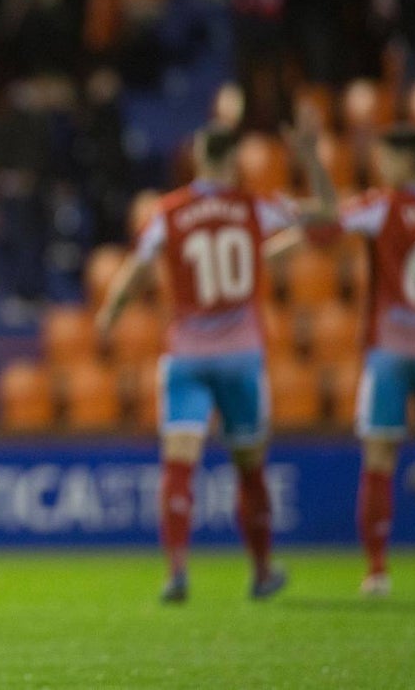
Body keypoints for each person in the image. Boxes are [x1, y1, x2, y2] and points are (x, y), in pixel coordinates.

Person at [95, 126, 332, 603]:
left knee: (179, 462)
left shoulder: (169, 211)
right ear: (234, 161)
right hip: (241, 357)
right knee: (250, 468)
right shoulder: (254, 207)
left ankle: (177, 572)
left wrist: (109, 314)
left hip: (186, 354)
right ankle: (261, 572)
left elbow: (137, 270)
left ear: (198, 159)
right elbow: (327, 212)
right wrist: (310, 158)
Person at [282, 126, 415, 598]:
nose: (380, 166)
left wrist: (312, 164)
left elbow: (329, 224)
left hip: (389, 351)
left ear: (412, 161)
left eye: (387, 157)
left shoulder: (383, 206)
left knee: (379, 457)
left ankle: (377, 572)